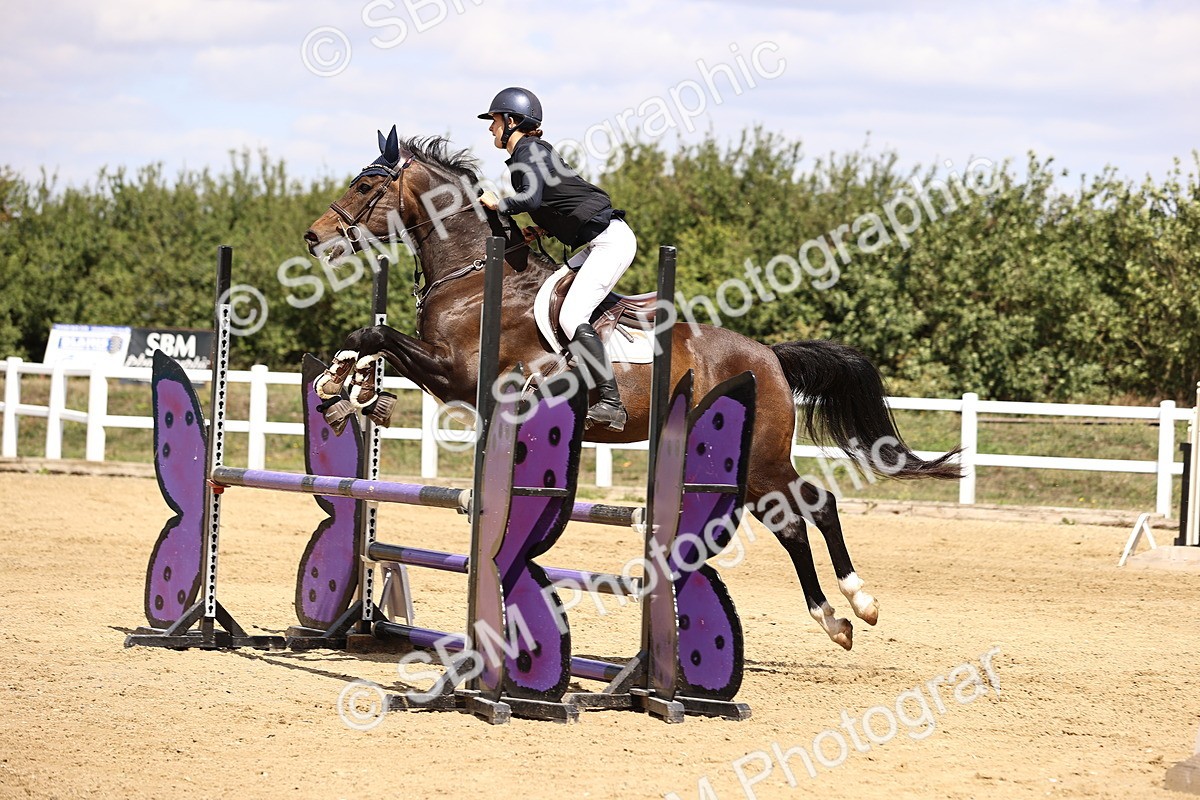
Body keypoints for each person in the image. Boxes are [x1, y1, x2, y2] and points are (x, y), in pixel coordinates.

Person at [477, 87, 636, 432]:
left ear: (512, 121)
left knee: (571, 314)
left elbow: (531, 197)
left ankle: (612, 403)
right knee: (548, 296)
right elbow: (556, 200)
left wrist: (498, 204)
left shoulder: (528, 150)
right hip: (596, 242)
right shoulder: (529, 152)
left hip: (610, 242)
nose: (490, 128)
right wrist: (543, 229)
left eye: (494, 120)